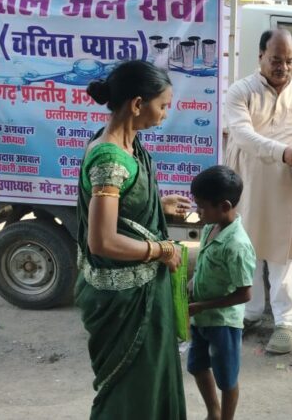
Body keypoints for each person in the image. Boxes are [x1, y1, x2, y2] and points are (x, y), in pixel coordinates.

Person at [75, 60, 193, 419]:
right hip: (124, 301)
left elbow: (124, 204)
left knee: (150, 379)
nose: (165, 114)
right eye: (163, 106)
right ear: (138, 104)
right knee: (128, 390)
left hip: (145, 292)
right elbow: (103, 241)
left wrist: (159, 202)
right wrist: (162, 250)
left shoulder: (129, 145)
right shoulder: (109, 159)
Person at [225, 29, 292, 354]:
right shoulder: (241, 91)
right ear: (260, 57)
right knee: (248, 251)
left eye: (289, 60)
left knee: (284, 255)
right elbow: (242, 135)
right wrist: (283, 152)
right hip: (248, 183)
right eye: (276, 60)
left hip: (286, 186)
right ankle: (250, 313)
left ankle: (284, 322)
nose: (283, 67)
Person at [187, 165, 256, 420]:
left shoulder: (237, 245)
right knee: (196, 366)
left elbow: (245, 294)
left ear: (224, 206)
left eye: (202, 206)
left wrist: (202, 306)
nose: (198, 211)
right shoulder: (210, 227)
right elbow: (204, 266)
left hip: (223, 323)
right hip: (201, 318)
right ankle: (213, 413)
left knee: (226, 379)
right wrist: (191, 286)